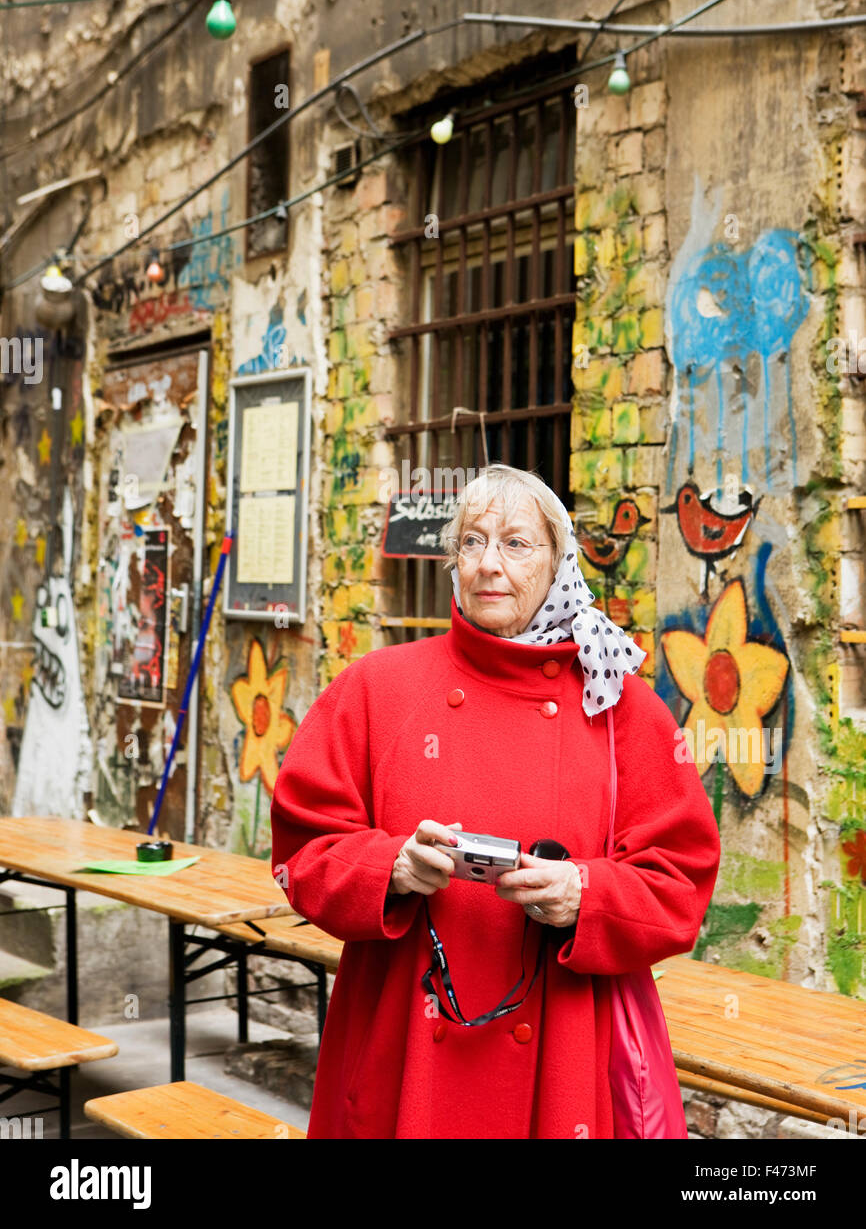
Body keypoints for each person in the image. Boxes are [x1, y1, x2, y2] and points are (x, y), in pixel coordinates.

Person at [270, 463, 721, 1138]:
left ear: (558, 563)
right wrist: (389, 868)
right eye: (472, 542)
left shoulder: (621, 706)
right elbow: (303, 849)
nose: (489, 565)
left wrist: (586, 895)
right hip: (405, 1039)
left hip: (563, 1045)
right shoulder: (376, 689)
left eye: (516, 544)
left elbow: (681, 879)